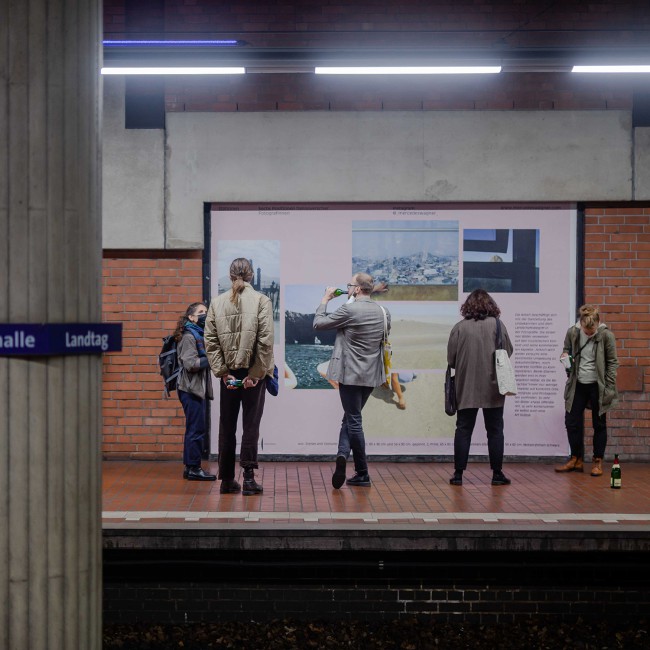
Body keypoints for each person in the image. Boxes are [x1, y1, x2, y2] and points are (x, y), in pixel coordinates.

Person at [204, 258, 274, 495]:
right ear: (251, 275)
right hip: (254, 373)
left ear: (230, 275)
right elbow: (265, 342)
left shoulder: (217, 302)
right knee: (250, 425)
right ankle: (249, 480)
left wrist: (222, 373)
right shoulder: (262, 300)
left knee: (227, 424)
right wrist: (256, 374)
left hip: (229, 375)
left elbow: (210, 342)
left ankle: (226, 480)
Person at [313, 273, 390, 489]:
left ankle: (363, 472)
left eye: (350, 286)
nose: (347, 288)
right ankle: (341, 454)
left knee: (353, 420)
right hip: (371, 375)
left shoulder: (349, 310)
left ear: (357, 289)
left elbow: (318, 323)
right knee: (350, 418)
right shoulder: (384, 312)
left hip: (349, 374)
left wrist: (326, 299)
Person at [446, 289, 513, 487]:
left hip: (466, 386)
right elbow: (507, 351)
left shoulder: (459, 327)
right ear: (491, 305)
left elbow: (451, 359)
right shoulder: (498, 326)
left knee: (463, 429)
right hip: (493, 385)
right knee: (495, 430)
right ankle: (497, 474)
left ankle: (458, 474)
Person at [555, 304, 619, 476]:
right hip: (578, 384)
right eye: (586, 331)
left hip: (598, 385)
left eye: (592, 331)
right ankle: (576, 458)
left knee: (599, 423)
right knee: (571, 421)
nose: (589, 333)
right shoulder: (573, 332)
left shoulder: (606, 336)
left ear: (598, 323)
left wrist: (609, 386)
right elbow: (566, 350)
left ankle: (597, 461)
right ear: (581, 324)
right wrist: (565, 359)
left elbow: (612, 362)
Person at [175, 302, 215, 481]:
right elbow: (191, 364)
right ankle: (193, 468)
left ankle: (190, 467)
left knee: (196, 427)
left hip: (196, 388)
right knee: (196, 429)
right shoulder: (188, 337)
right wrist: (213, 358)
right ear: (191, 317)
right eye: (201, 312)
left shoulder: (199, 335)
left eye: (206, 311)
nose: (205, 315)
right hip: (190, 389)